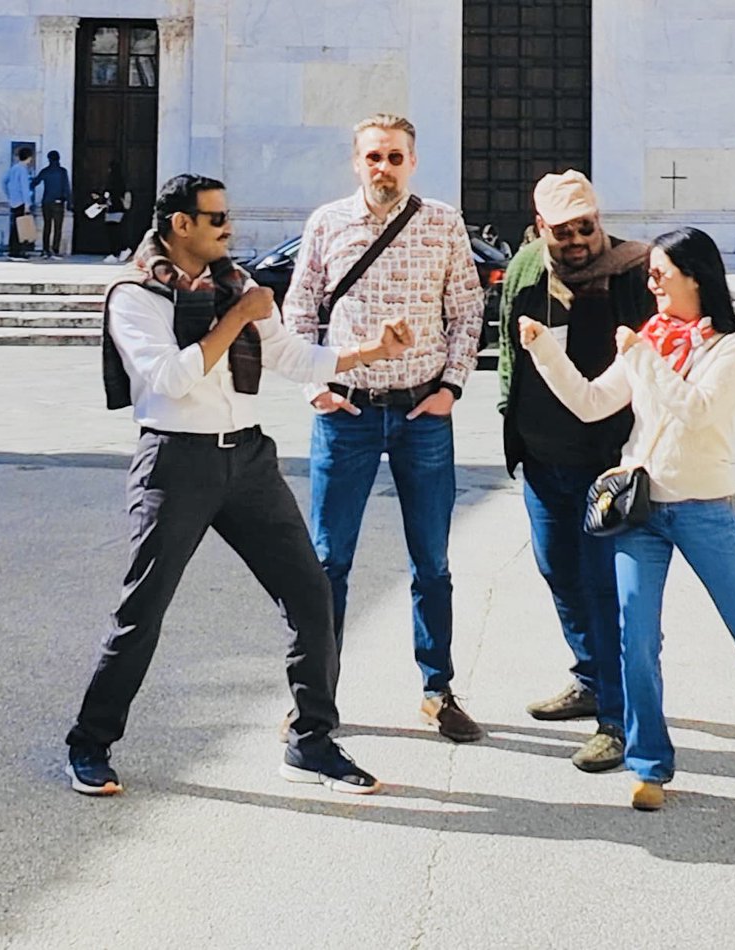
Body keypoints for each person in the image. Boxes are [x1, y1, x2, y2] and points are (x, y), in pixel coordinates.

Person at [64, 173, 416, 797]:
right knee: (142, 610)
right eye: (216, 218)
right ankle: (89, 742)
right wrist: (237, 318)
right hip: (176, 463)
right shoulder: (134, 294)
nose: (230, 228)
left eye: (228, 215)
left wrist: (369, 351)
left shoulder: (238, 285)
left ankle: (311, 742)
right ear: (180, 225)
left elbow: (292, 357)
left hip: (249, 460)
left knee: (311, 593)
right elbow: (170, 378)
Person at [518, 227, 735, 811]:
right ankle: (649, 765)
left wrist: (646, 358)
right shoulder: (651, 337)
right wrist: (542, 349)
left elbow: (697, 414)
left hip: (704, 508)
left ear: (696, 277)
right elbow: (591, 402)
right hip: (640, 509)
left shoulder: (732, 349)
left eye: (662, 271)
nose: (652, 281)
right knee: (635, 639)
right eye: (652, 272)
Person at [282, 113, 486, 742]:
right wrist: (315, 385)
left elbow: (468, 309)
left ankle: (437, 689)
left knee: (431, 561)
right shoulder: (327, 223)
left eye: (395, 157)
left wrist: (451, 387)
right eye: (374, 157)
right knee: (327, 561)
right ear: (356, 162)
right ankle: (316, 696)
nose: (384, 168)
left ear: (413, 162)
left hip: (422, 411)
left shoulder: (443, 222)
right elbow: (300, 307)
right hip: (348, 413)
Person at [497, 170, 653, 772]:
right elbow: (510, 349)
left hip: (606, 463)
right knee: (558, 572)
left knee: (603, 587)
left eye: (587, 227)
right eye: (564, 233)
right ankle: (589, 676)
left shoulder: (634, 271)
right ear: (542, 230)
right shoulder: (525, 269)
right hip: (542, 457)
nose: (579, 242)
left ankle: (616, 721)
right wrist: (512, 419)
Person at [32, 150, 72, 259]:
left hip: (46, 202)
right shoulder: (62, 171)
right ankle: (55, 249)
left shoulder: (45, 171)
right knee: (58, 228)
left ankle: (45, 249)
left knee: (47, 226)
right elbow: (66, 188)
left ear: (49, 159)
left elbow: (34, 183)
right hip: (58, 202)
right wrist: (69, 202)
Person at [1, 147, 34, 261]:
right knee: (21, 228)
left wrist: (9, 195)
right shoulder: (23, 170)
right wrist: (27, 204)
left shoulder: (13, 168)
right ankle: (17, 252)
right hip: (21, 202)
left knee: (14, 227)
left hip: (13, 202)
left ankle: (13, 250)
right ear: (29, 157)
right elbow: (25, 188)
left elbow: (4, 182)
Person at [103, 159, 132, 263]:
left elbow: (108, 195)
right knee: (118, 231)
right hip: (120, 209)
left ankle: (115, 253)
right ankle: (122, 250)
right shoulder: (122, 181)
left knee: (112, 233)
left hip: (112, 210)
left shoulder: (111, 182)